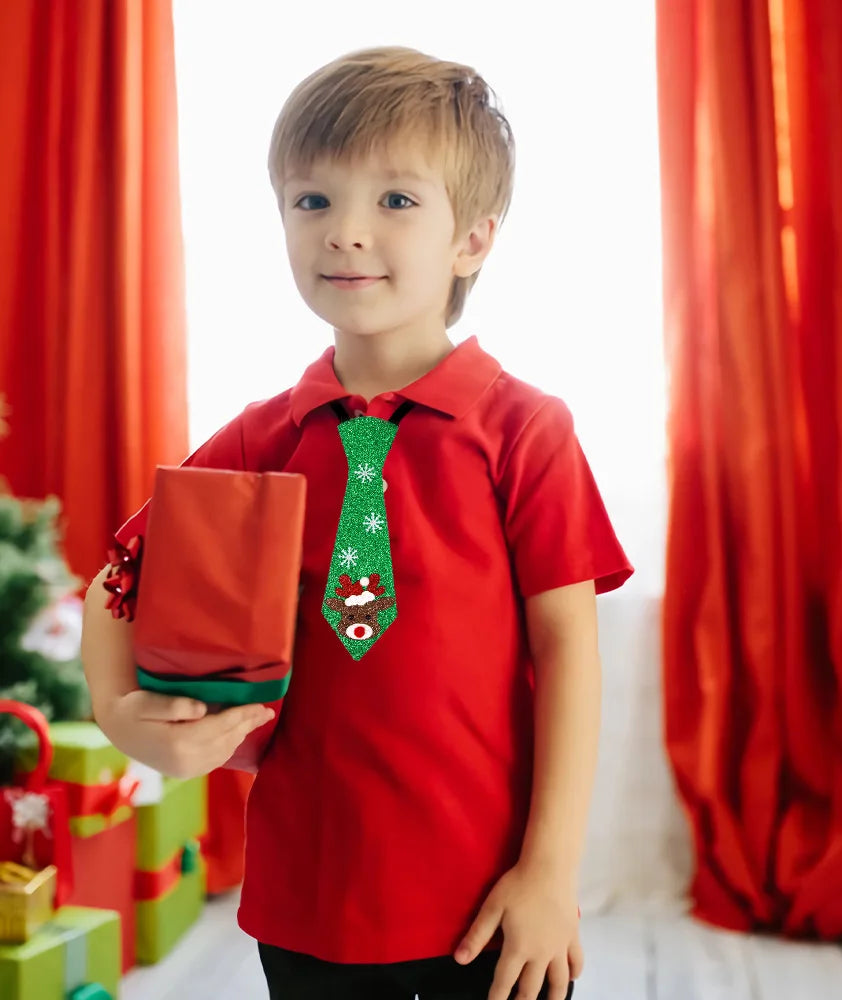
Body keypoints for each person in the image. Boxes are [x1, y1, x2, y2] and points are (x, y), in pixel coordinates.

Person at [81, 46, 633, 1000]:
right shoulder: (260, 438)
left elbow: (570, 656)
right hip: (308, 898)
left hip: (490, 903)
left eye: (396, 201)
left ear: (474, 240)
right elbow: (119, 576)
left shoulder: (525, 431)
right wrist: (122, 715)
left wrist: (550, 874)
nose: (344, 233)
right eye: (312, 201)